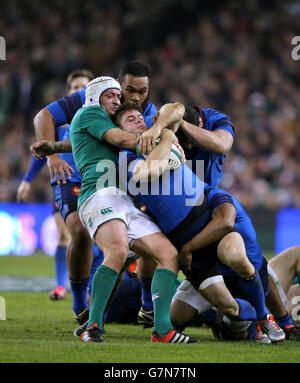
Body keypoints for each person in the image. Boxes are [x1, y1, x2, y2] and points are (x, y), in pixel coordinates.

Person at [115, 102, 285, 343]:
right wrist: (166, 138)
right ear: (118, 131)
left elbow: (176, 108)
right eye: (129, 120)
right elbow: (148, 173)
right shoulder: (125, 160)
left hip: (206, 213)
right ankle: (230, 318)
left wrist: (161, 128)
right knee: (229, 307)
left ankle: (264, 317)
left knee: (241, 259)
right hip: (186, 242)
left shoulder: (158, 128)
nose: (139, 120)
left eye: (139, 116)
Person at [68, 76, 201, 344]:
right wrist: (164, 137)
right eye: (111, 95)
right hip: (98, 193)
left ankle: (162, 330)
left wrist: (164, 137)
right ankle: (91, 326)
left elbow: (172, 111)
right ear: (94, 95)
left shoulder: (104, 124)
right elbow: (120, 137)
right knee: (117, 251)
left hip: (123, 200)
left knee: (168, 254)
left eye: (119, 97)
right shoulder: (88, 113)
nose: (116, 101)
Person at [30, 63, 158, 325]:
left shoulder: (146, 111)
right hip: (74, 173)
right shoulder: (88, 98)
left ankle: (113, 311)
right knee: (78, 231)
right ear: (116, 84)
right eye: (129, 90)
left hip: (114, 181)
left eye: (142, 91)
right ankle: (79, 302)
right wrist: (53, 155)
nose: (134, 97)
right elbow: (43, 117)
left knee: (130, 243)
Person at [17, 69, 94, 301]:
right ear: (69, 92)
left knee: (91, 239)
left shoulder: (98, 120)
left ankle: (88, 287)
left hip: (94, 182)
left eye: (84, 86)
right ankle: (61, 286)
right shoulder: (59, 123)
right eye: (74, 87)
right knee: (66, 236)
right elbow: (41, 151)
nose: (79, 90)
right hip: (65, 180)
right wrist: (27, 181)